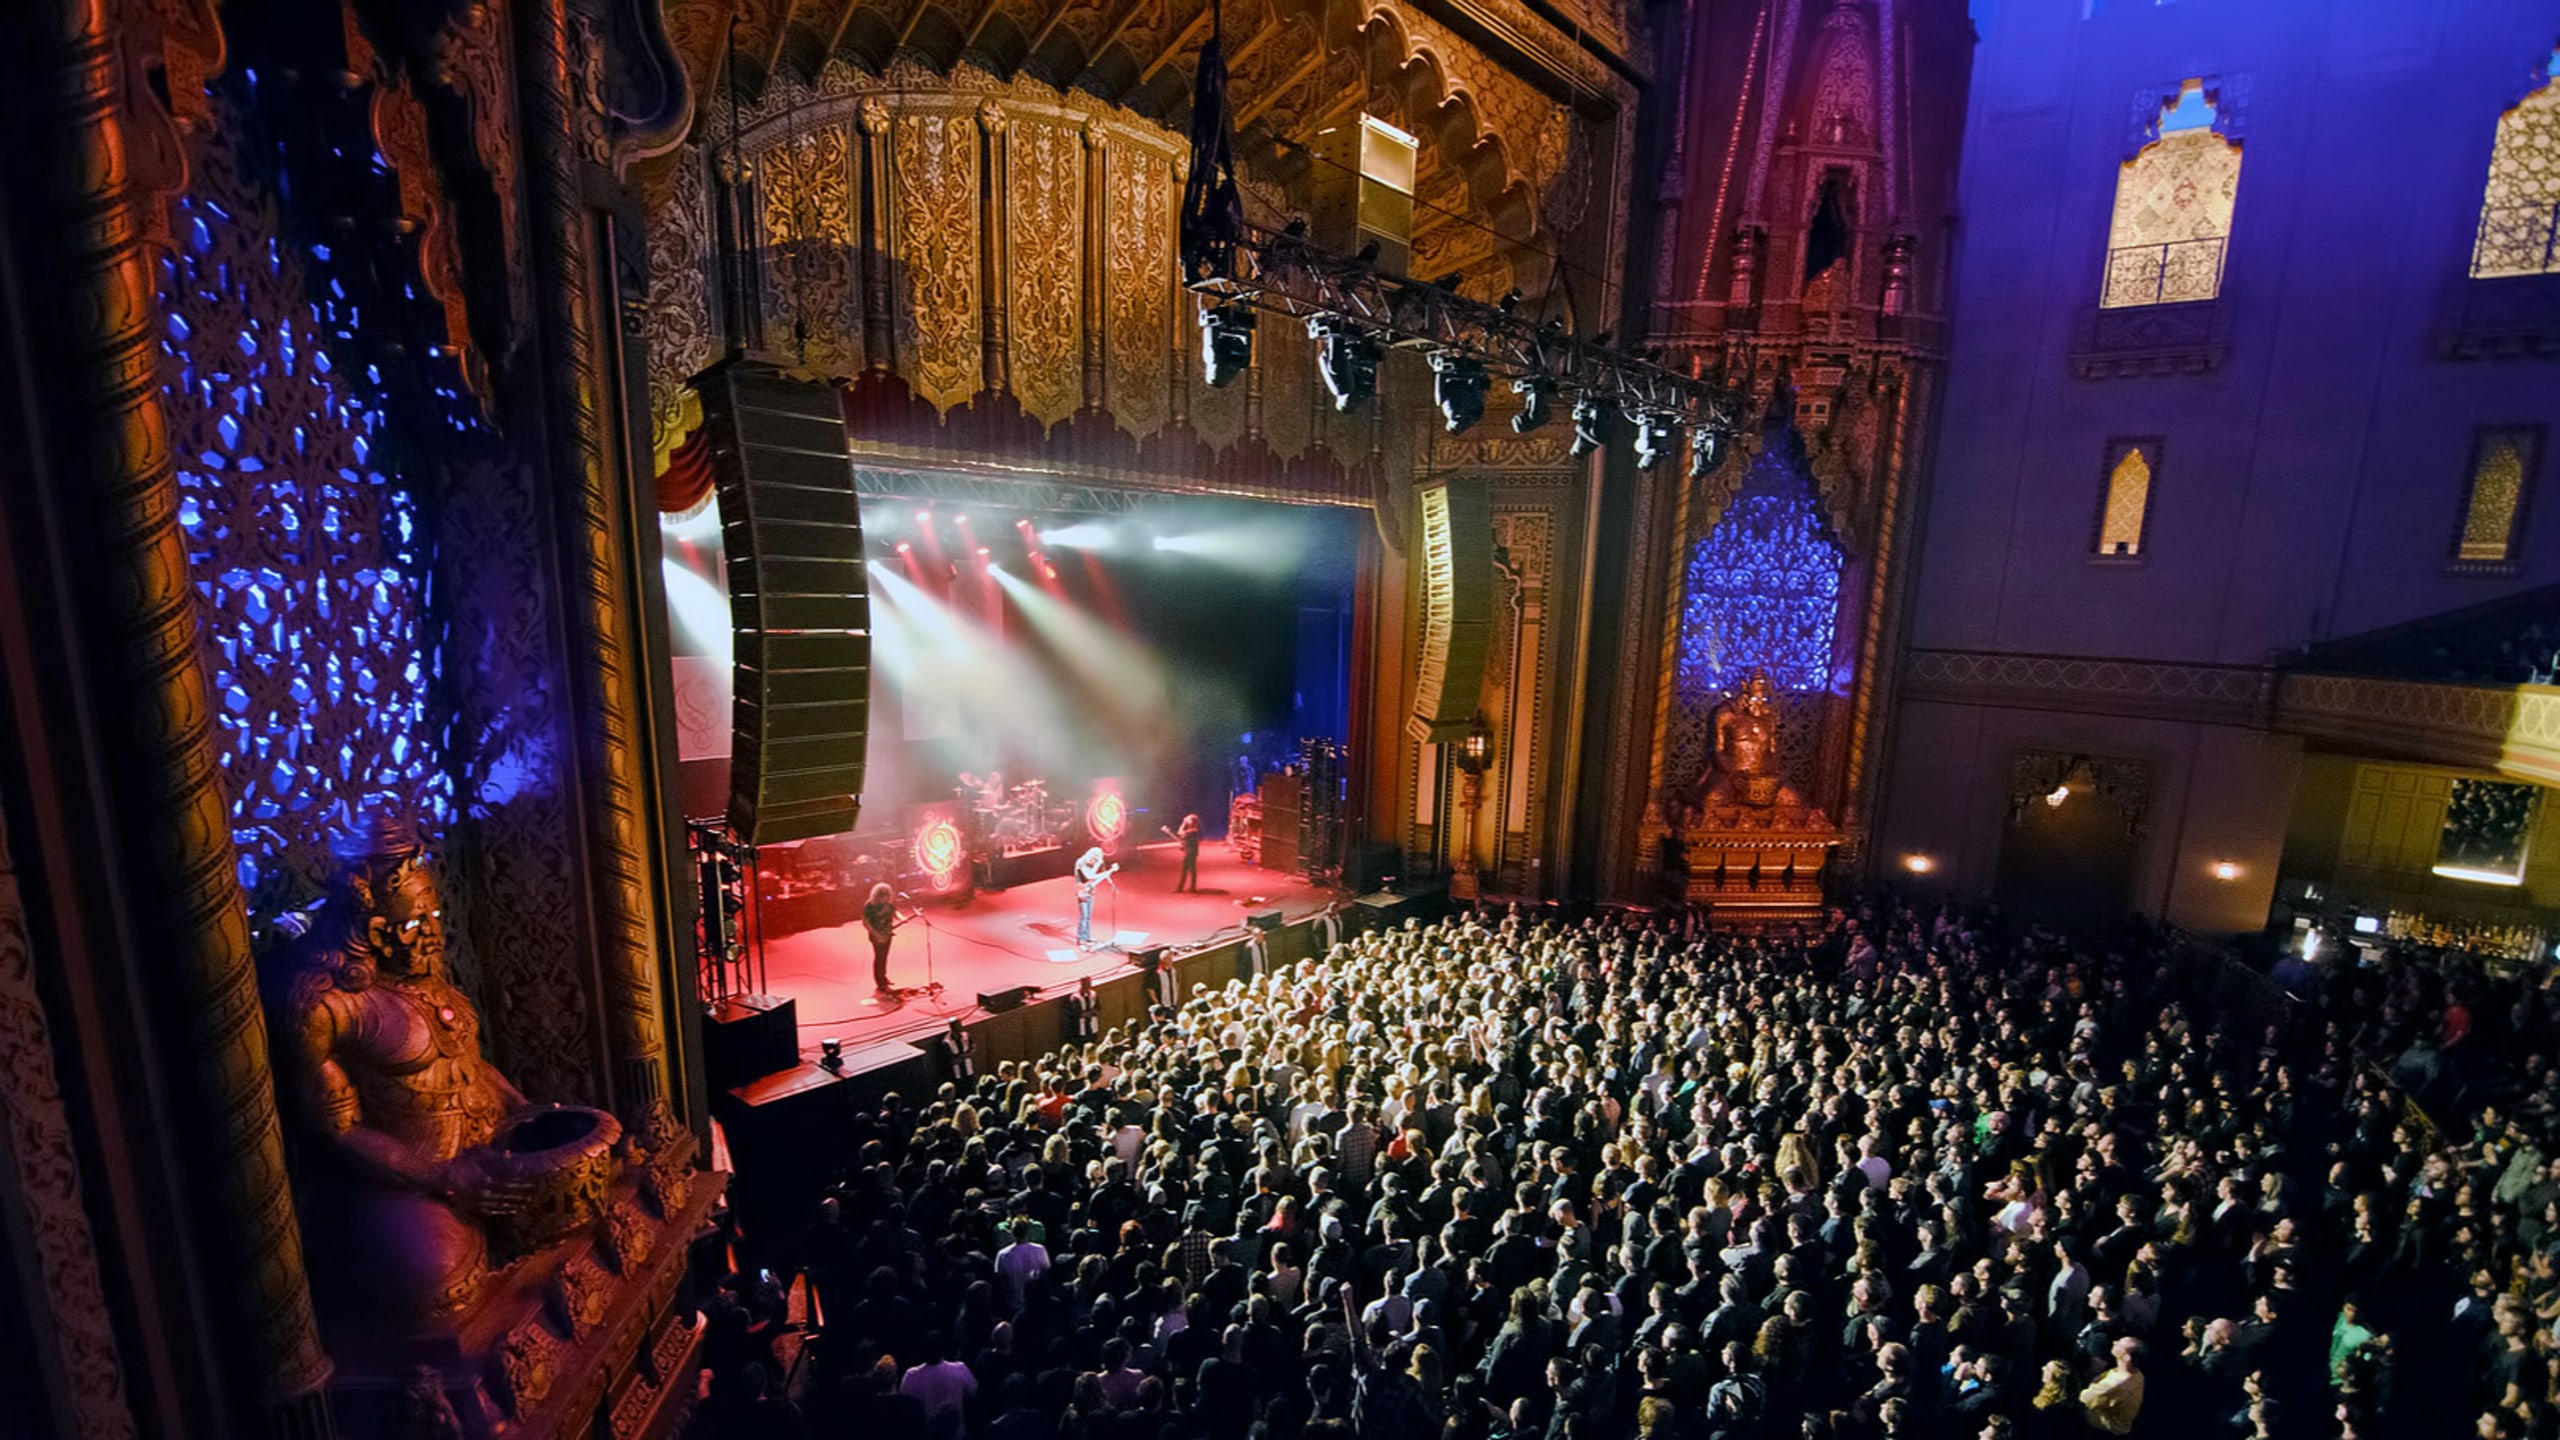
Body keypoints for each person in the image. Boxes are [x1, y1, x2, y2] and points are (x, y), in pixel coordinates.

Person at [1074, 846, 1115, 949]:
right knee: (1083, 917)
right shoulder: (1081, 862)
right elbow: (1090, 876)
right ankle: (1081, 940)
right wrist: (1109, 871)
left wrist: (1104, 868)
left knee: (1088, 918)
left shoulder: (1091, 863)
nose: (1094, 860)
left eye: (1097, 858)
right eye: (1094, 857)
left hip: (1090, 890)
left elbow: (1093, 876)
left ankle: (1086, 937)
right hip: (1082, 892)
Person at [864, 882, 899, 994]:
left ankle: (883, 978)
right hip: (876, 935)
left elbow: (895, 913)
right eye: (883, 897)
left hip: (887, 934)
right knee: (879, 958)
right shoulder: (870, 906)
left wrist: (904, 918)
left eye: (887, 896)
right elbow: (866, 922)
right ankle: (880, 982)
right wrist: (876, 934)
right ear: (877, 896)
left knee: (884, 957)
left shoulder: (889, 905)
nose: (885, 899)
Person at [1162, 813, 1202, 892]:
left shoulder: (1193, 830)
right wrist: (1184, 845)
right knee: (1187, 869)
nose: (1187, 820)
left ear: (1193, 821)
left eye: (1189, 819)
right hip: (1189, 851)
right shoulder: (1192, 830)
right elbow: (1184, 838)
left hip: (1191, 852)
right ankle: (1185, 887)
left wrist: (1184, 822)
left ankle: (1187, 887)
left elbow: (1180, 832)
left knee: (1190, 869)